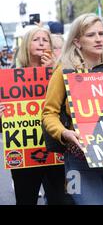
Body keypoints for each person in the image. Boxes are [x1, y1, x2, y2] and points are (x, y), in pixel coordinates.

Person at [42, 14, 103, 205]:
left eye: (101, 33)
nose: (98, 39)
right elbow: (49, 114)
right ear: (77, 41)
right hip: (77, 161)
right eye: (90, 35)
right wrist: (64, 133)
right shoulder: (64, 70)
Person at [1, 26, 71, 205]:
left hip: (57, 150)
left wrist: (51, 72)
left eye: (45, 39)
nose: (41, 43)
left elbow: (71, 106)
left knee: (62, 200)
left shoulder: (62, 71)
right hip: (25, 154)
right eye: (35, 39)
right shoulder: (9, 78)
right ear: (26, 45)